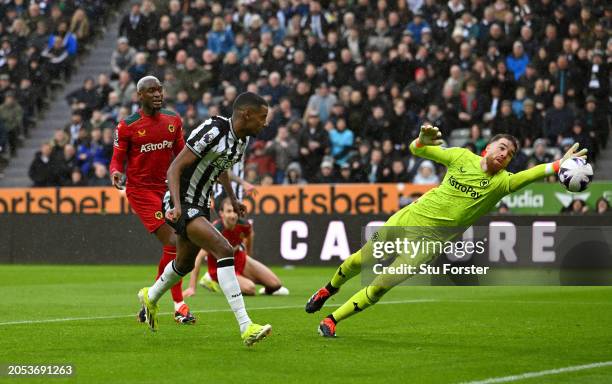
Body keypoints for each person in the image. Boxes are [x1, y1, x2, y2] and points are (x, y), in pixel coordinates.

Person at [305, 124, 588, 337]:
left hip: (428, 244)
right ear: (487, 148)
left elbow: (532, 173)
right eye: (501, 147)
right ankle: (328, 290)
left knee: (380, 285)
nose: (505, 154)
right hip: (406, 220)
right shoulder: (460, 157)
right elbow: (417, 150)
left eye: (511, 154)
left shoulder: (503, 183)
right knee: (359, 260)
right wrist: (420, 141)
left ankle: (332, 320)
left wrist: (556, 165)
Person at [138, 92, 272, 347]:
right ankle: (246, 326)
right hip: (181, 201)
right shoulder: (213, 129)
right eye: (262, 117)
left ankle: (150, 295)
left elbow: (220, 168)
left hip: (200, 205)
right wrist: (176, 206)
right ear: (246, 114)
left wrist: (232, 198)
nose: (265, 123)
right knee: (223, 249)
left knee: (184, 263)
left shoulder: (239, 142)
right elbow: (174, 167)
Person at [109, 76, 196, 325]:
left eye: (159, 90)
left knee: (179, 243)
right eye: (151, 91)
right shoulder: (127, 126)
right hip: (140, 191)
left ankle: (151, 303)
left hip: (168, 189)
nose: (157, 94)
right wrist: (116, 172)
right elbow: (116, 159)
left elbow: (182, 155)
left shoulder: (173, 120)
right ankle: (179, 305)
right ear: (139, 96)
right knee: (173, 240)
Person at [184, 197, 289, 297]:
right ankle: (213, 278)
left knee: (276, 285)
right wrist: (192, 287)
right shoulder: (215, 231)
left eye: (235, 211)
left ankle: (247, 283)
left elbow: (250, 234)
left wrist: (248, 256)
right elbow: (199, 257)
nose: (233, 215)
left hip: (239, 259)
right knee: (250, 289)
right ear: (222, 214)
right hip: (220, 267)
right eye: (229, 211)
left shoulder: (244, 225)